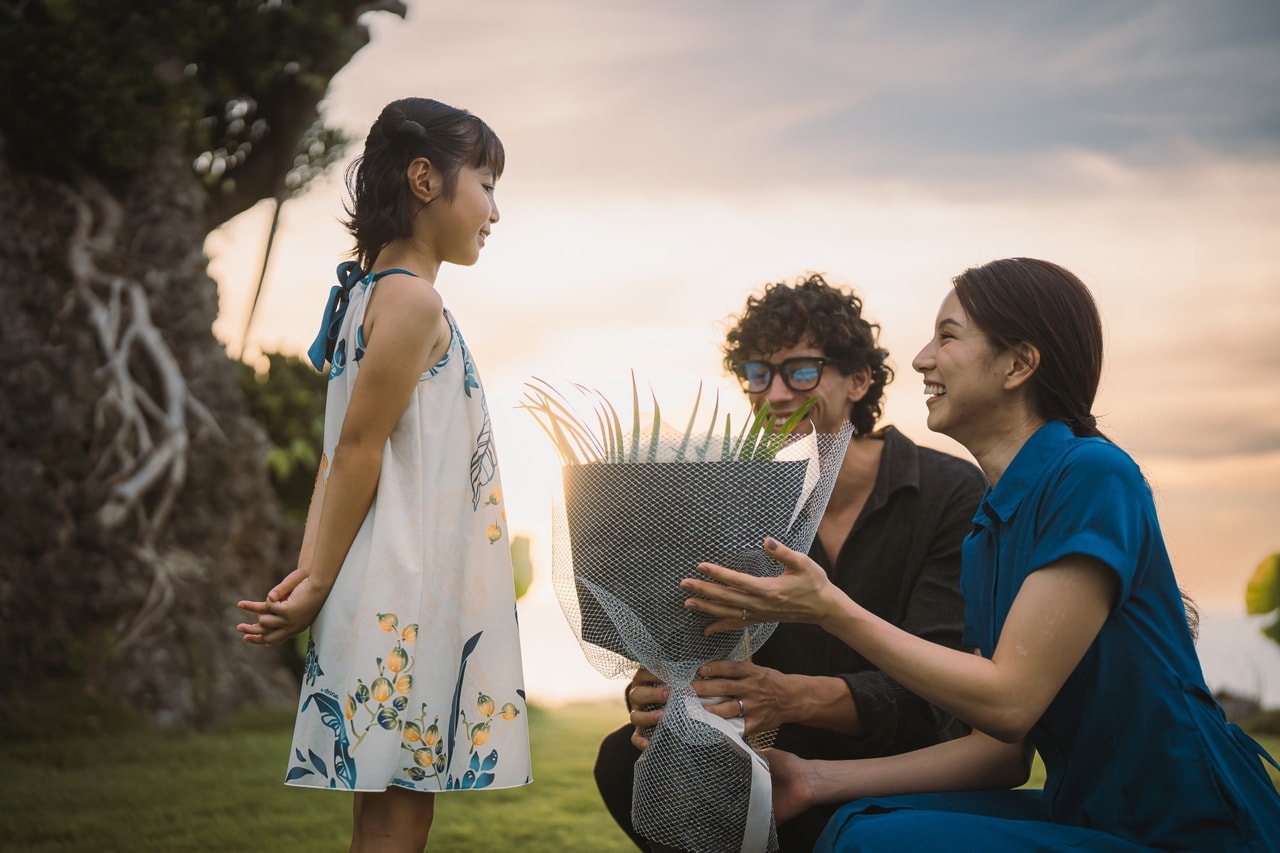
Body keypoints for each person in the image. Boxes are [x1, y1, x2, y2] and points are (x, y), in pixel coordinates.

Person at [682, 258, 1280, 851]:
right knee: (860, 821)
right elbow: (1000, 752)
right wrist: (813, 779)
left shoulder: (1093, 475)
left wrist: (830, 608)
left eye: (947, 337)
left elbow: (1010, 700)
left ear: (1019, 363)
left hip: (1190, 828)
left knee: (880, 845)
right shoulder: (989, 526)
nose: (920, 359)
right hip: (1091, 812)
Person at [593, 274, 988, 850]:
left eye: (800, 370)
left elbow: (944, 691)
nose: (774, 393)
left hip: (903, 763)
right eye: (757, 373)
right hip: (773, 758)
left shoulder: (948, 492)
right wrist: (664, 687)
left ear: (859, 380)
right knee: (621, 762)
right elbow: (701, 644)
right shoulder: (727, 498)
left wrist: (791, 695)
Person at [236, 97, 531, 852]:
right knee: (403, 807)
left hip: (388, 577)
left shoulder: (371, 293)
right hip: (406, 585)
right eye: (487, 184)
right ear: (426, 179)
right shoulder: (412, 299)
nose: (495, 210)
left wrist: (312, 573)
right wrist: (316, 583)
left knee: (384, 802)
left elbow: (342, 454)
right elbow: (359, 449)